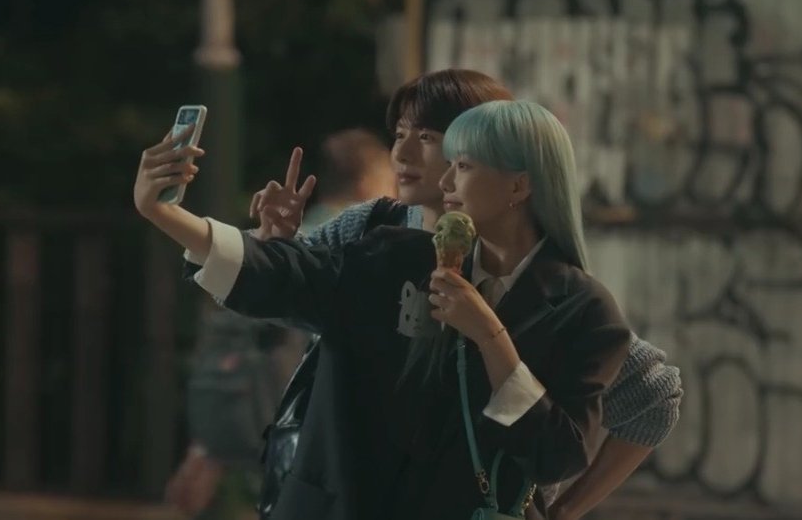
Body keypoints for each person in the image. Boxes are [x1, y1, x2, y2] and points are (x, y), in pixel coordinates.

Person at [134, 99, 637, 519]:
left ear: (518, 186)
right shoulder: (401, 255)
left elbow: (557, 455)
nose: (445, 181)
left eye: (464, 166)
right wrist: (166, 214)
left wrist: (490, 336)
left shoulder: (584, 310)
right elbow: (291, 277)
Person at [249, 70, 681, 519]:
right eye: (399, 133)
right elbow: (286, 300)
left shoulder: (533, 280)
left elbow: (653, 399)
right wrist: (275, 244)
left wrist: (565, 511)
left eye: (428, 137)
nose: (402, 153)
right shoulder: (372, 227)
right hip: (345, 492)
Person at [164, 128, 395, 518]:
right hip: (311, 415)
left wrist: (207, 440)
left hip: (261, 404)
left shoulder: (294, 229)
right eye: (389, 178)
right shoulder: (360, 241)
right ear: (367, 182)